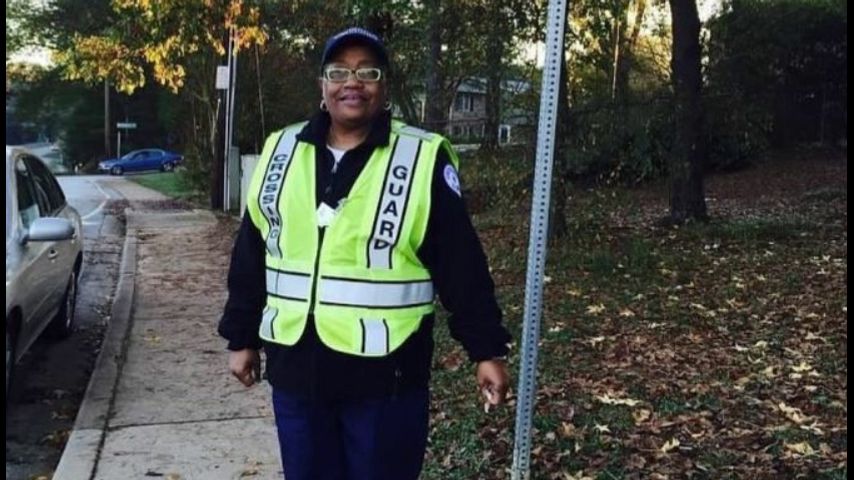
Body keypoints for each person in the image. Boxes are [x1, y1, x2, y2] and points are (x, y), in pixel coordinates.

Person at [218, 27, 511, 480]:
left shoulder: (421, 157)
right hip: (298, 374)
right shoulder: (280, 150)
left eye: (367, 72)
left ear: (384, 86)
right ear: (322, 85)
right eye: (339, 72)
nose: (352, 82)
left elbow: (461, 264)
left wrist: (485, 350)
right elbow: (253, 252)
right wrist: (242, 338)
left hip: (385, 381)